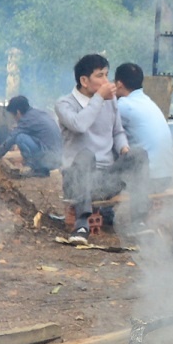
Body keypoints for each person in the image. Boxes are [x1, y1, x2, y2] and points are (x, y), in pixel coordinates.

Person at [55, 53, 134, 243]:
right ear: (84, 80)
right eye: (100, 76)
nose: (106, 81)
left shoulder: (110, 101)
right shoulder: (64, 104)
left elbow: (117, 132)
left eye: (107, 75)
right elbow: (80, 125)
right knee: (85, 156)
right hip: (77, 181)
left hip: (105, 179)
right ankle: (82, 224)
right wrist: (98, 98)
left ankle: (139, 222)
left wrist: (124, 148)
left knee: (138, 155)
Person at [112, 63, 173, 230]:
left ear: (118, 84)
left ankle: (102, 212)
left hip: (148, 179)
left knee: (107, 164)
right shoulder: (148, 102)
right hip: (165, 177)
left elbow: (102, 130)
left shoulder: (125, 105)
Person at [1, 95, 64, 176]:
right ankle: (41, 170)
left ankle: (33, 167)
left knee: (20, 138)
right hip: (58, 158)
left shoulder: (26, 120)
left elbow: (12, 137)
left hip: (50, 159)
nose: (14, 119)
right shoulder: (37, 114)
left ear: (18, 112)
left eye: (13, 115)